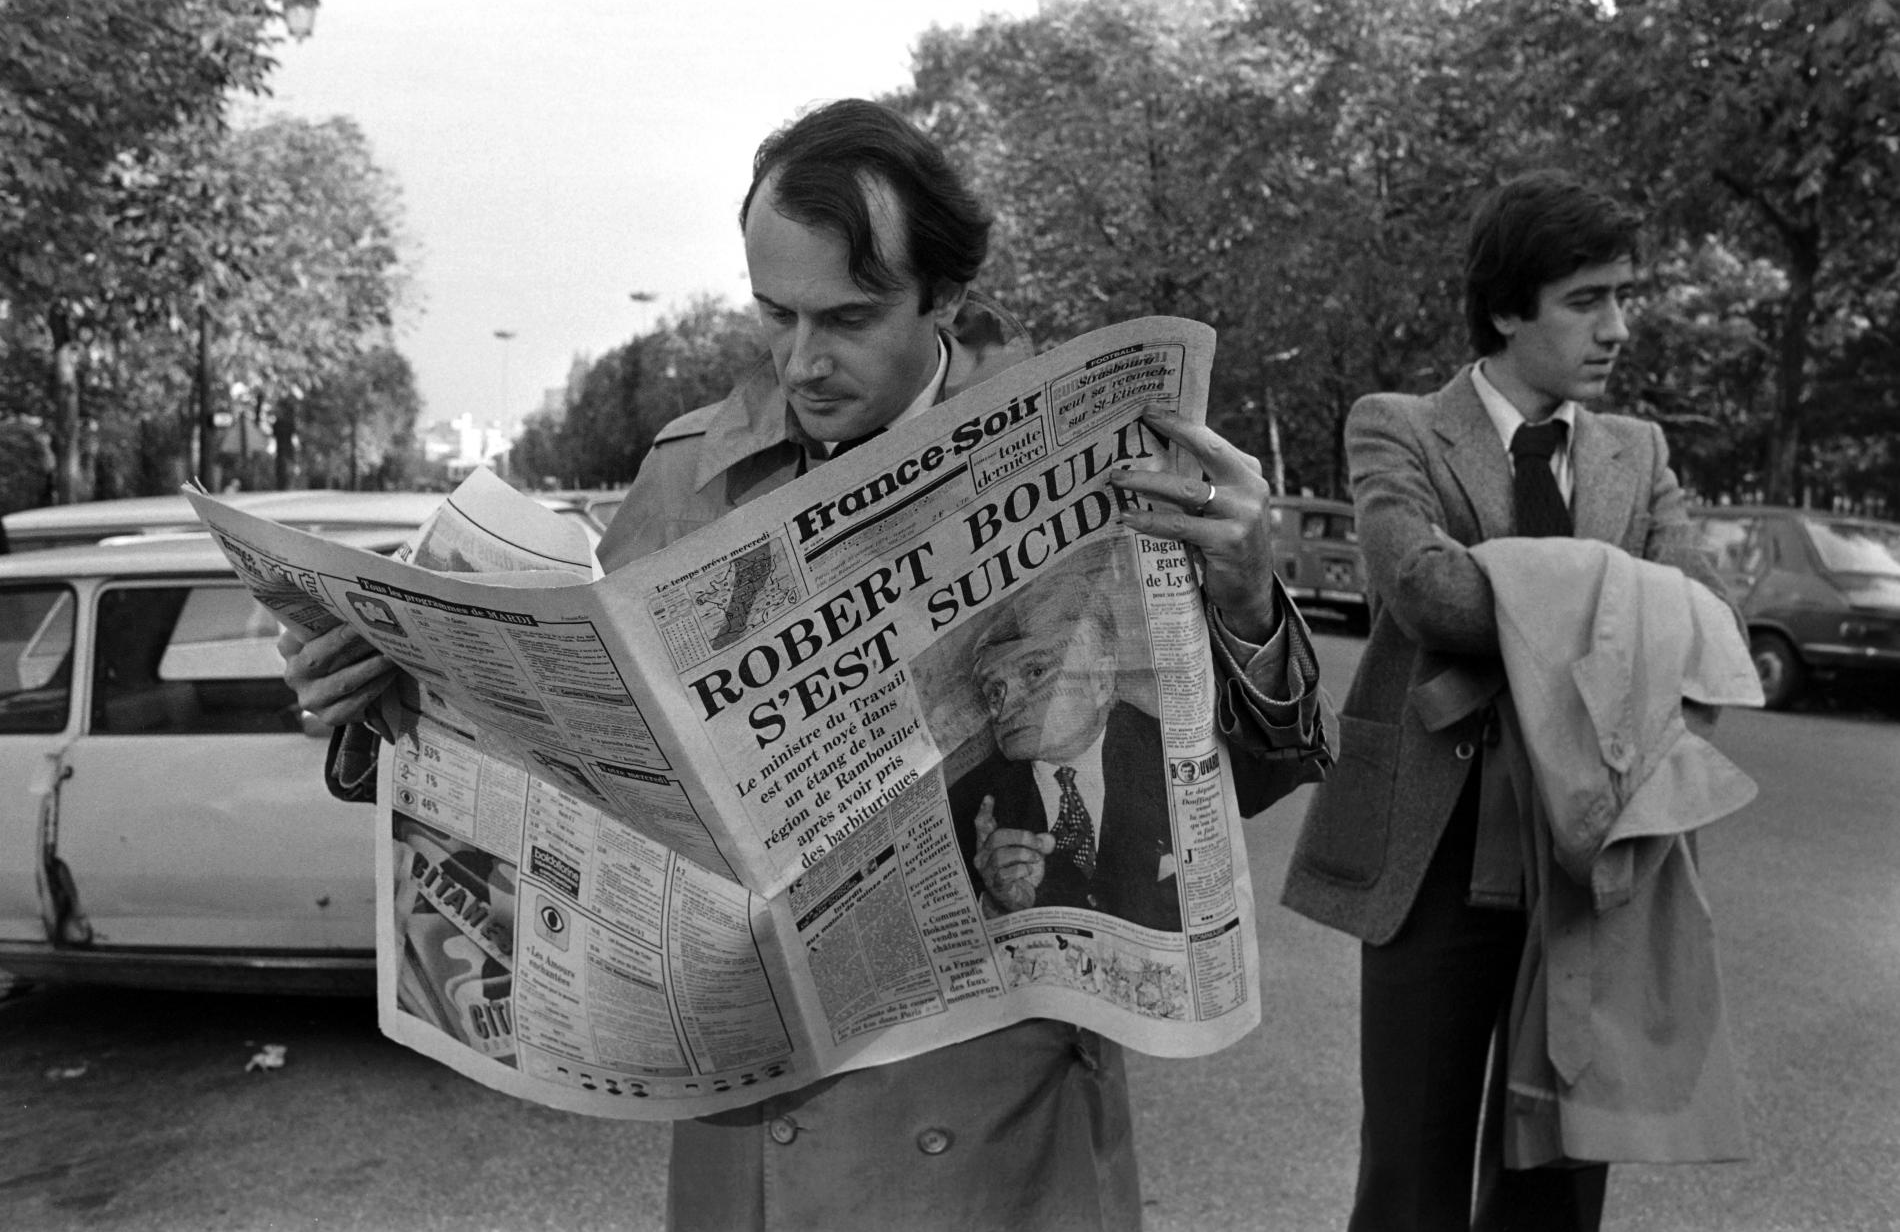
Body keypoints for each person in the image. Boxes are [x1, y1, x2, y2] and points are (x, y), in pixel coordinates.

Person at [284, 97, 1333, 1232]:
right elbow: (591, 774)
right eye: (772, 314)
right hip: (758, 1135)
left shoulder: (1096, 458)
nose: (801, 361)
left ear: (945, 296)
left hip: (994, 1131)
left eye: (846, 317)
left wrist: (1241, 595)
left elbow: (1232, 797)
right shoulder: (687, 472)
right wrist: (386, 708)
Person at [1280, 170, 1734, 1232]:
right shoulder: (1395, 426)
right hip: (1431, 861)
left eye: (1624, 295)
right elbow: (1427, 592)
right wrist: (1621, 605)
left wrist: (1536, 596)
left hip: (1595, 862)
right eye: (1587, 299)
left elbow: (1704, 619)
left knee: (1560, 1187)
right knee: (1410, 1178)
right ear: (1503, 309)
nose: (1617, 327)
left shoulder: (1638, 449)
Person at [948, 564, 1180, 931]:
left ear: (1101, 678)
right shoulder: (967, 805)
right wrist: (996, 907)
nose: (1007, 706)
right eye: (995, 690)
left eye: (1035, 672)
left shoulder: (1172, 753)